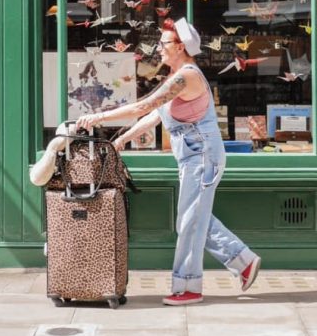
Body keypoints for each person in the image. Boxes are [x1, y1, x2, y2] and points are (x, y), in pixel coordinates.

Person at [76, 18, 261, 306]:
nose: (158, 49)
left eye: (164, 43)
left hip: (202, 157)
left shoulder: (185, 77)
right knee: (194, 218)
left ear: (181, 47)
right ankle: (243, 261)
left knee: (189, 221)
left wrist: (96, 117)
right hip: (195, 156)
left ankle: (189, 287)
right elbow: (156, 115)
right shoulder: (177, 76)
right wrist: (123, 139)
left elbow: (143, 106)